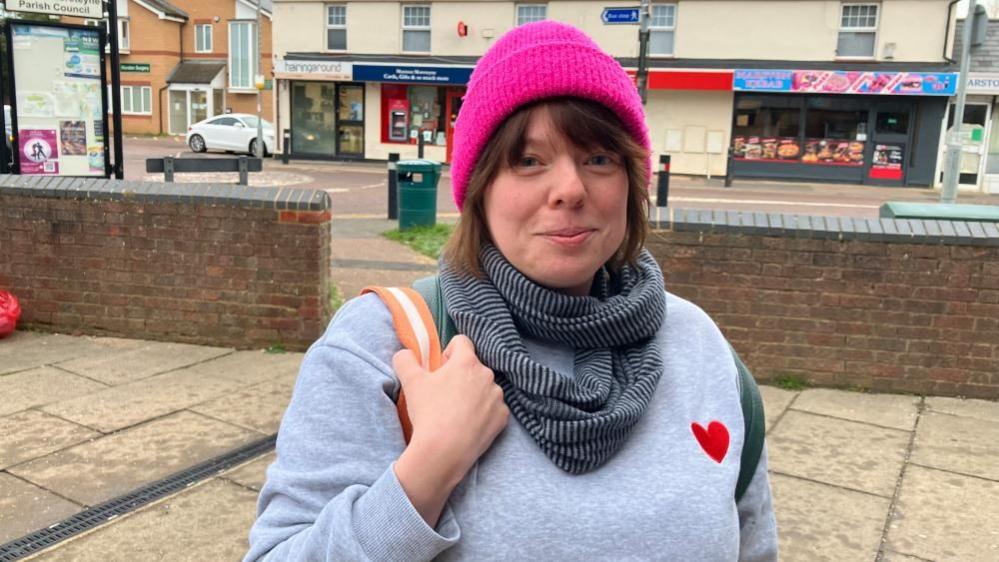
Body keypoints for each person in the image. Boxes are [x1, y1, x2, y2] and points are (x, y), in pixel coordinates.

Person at [245, 21, 777, 561]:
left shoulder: (702, 347)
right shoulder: (382, 346)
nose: (570, 189)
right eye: (528, 160)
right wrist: (427, 470)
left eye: (598, 158)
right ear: (480, 188)